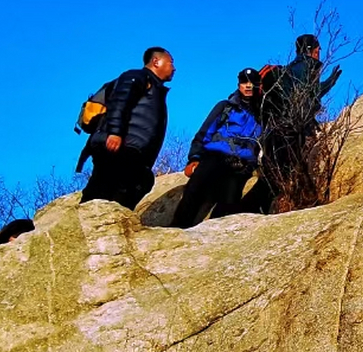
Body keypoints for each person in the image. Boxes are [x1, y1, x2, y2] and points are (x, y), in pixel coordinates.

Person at [253, 33, 343, 210]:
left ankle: (242, 214)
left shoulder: (290, 68)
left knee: (271, 182)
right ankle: (241, 215)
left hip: (276, 131)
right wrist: (328, 84)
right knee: (278, 183)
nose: (319, 53)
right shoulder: (308, 66)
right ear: (314, 50)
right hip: (291, 132)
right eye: (318, 49)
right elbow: (306, 96)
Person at [80, 46, 174, 210]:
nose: (173, 68)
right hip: (119, 146)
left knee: (138, 181)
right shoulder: (137, 77)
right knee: (104, 190)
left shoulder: (155, 89)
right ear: (156, 61)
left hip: (131, 151)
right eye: (170, 62)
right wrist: (115, 133)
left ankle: (109, 223)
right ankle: (85, 225)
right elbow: (120, 103)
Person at [172, 69, 264, 228]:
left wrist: (251, 165)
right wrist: (194, 158)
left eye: (252, 82)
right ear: (239, 85)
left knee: (230, 200)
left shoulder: (262, 114)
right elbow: (205, 131)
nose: (248, 86)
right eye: (244, 82)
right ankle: (176, 229)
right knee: (194, 188)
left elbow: (260, 145)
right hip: (215, 155)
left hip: (241, 164)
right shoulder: (225, 107)